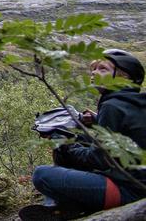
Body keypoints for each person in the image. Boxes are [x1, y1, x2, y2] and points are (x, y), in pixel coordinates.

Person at [19, 49, 146, 220]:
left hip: (128, 191)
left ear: (123, 78)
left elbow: (100, 159)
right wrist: (95, 122)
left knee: (42, 175)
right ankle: (63, 206)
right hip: (137, 182)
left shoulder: (112, 107)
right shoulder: (134, 103)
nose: (94, 73)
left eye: (103, 69)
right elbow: (127, 133)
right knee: (78, 139)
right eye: (94, 69)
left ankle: (58, 208)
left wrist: (66, 146)